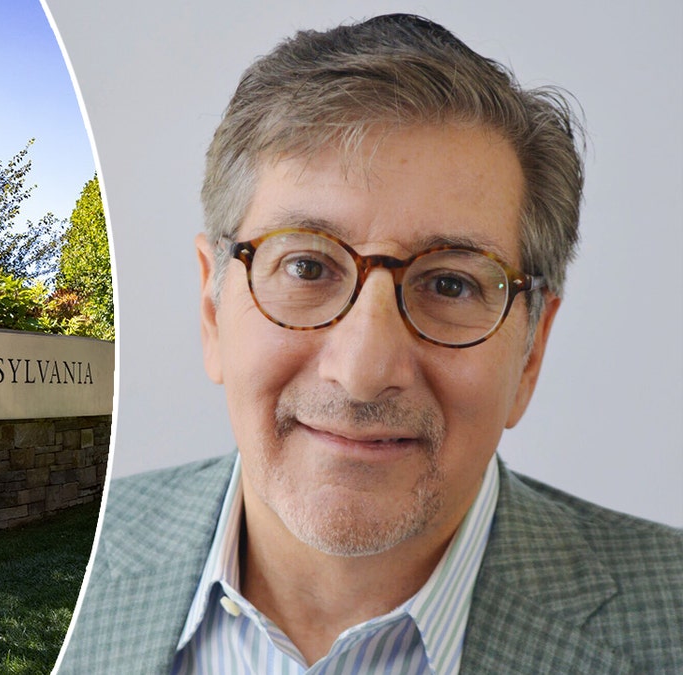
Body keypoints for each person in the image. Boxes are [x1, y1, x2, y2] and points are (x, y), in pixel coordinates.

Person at [57, 14, 683, 674]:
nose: (361, 372)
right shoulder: (81, 569)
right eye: (307, 267)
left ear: (530, 350)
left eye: (449, 282)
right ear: (213, 308)